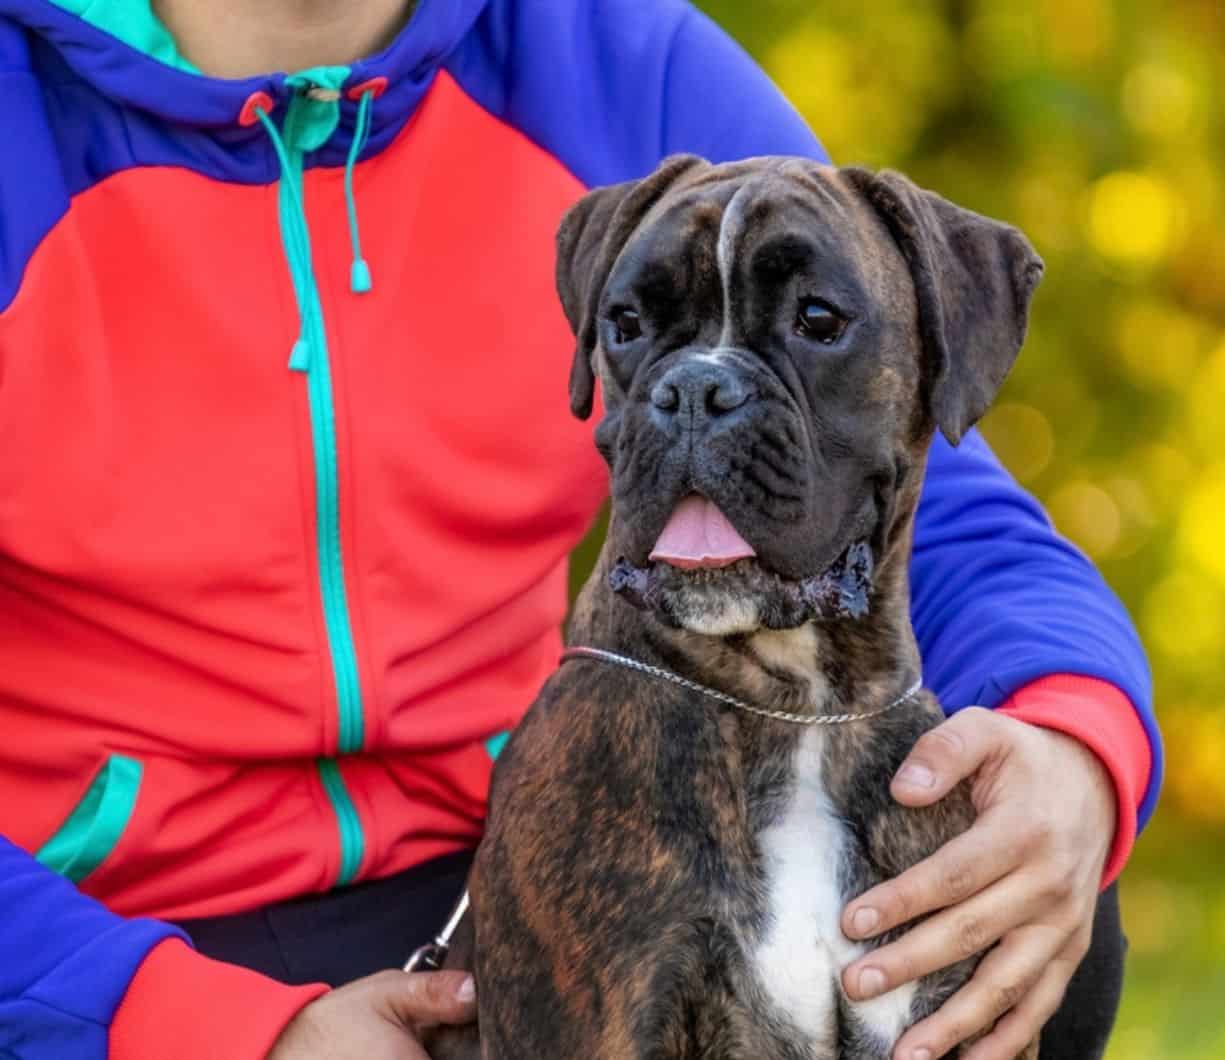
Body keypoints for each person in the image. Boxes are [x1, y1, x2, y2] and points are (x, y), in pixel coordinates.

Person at [0, 1, 1162, 1057]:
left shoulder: (607, 55)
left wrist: (1077, 743)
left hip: (510, 872)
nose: (701, 389)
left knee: (1002, 887)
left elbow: (923, 471)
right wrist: (193, 1022)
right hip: (91, 928)